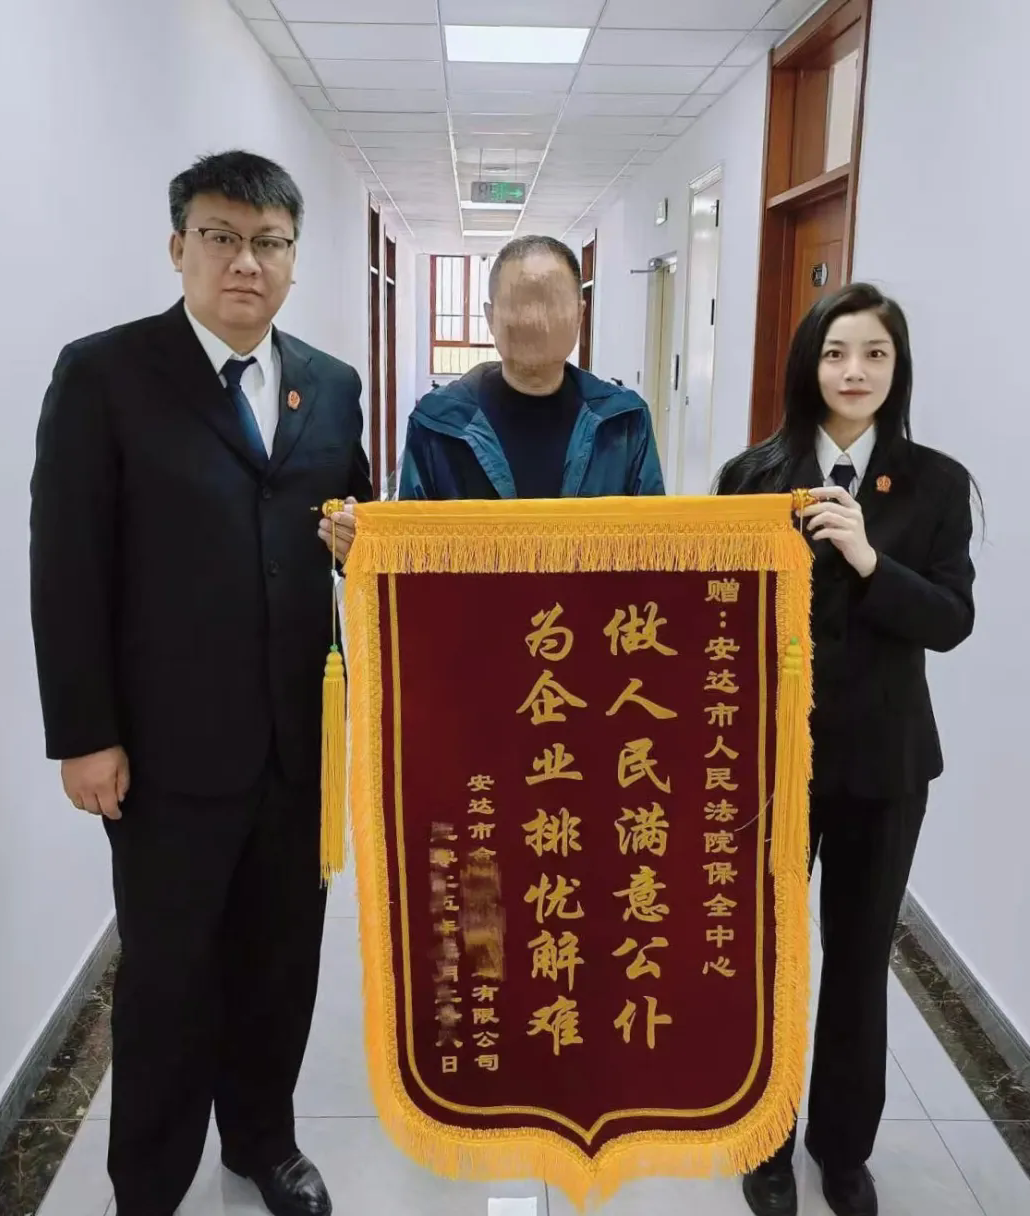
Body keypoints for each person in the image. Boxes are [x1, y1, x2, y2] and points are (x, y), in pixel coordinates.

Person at [29, 150, 366, 1216]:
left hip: (299, 744)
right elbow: (66, 565)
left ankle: (266, 1141)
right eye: (221, 237)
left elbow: (351, 522)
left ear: (294, 259)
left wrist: (362, 541)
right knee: (170, 980)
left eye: (269, 242)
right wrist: (85, 733)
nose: (245, 262)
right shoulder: (107, 375)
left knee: (281, 964)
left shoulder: (332, 385)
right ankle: (149, 1182)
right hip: (166, 752)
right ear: (179, 247)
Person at [716, 283, 976, 1216]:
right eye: (836, 353)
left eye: (875, 354)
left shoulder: (935, 482)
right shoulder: (752, 476)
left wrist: (870, 559)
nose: (854, 371)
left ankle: (843, 1149)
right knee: (769, 958)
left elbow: (951, 620)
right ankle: (766, 1140)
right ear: (808, 366)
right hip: (773, 766)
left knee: (860, 960)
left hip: (884, 766)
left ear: (897, 369)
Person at [399, 235, 664, 500]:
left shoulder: (624, 422)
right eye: (517, 303)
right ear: (491, 317)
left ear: (579, 315)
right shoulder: (436, 423)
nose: (534, 320)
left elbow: (654, 524)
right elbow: (409, 525)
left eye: (552, 303)